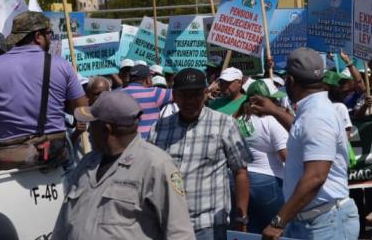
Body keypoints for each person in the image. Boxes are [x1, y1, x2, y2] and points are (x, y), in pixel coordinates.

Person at [52, 91, 195, 239]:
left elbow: (180, 233)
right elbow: (62, 225)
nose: (87, 130)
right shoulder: (86, 163)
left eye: (92, 124)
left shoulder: (156, 165)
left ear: (106, 129)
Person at [261, 48, 358, 240]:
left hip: (325, 223)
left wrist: (279, 221)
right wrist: (275, 111)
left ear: (290, 80)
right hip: (317, 220)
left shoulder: (316, 116)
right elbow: (302, 132)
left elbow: (316, 176)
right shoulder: (315, 110)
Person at [0, 12, 87, 170]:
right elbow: (81, 110)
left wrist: (4, 112)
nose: (50, 38)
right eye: (49, 33)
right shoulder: (62, 66)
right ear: (38, 36)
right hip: (53, 155)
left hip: (9, 157)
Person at [149, 68, 252, 240]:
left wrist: (241, 217)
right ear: (174, 95)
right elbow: (149, 172)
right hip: (166, 223)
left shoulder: (224, 124)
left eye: (196, 94)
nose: (190, 101)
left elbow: (241, 171)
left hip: (208, 225)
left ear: (205, 93)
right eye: (184, 95)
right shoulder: (159, 128)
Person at [235, 79, 290, 234]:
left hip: (241, 182)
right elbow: (286, 156)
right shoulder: (271, 121)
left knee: (251, 232)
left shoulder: (236, 119)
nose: (277, 102)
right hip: (269, 183)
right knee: (274, 232)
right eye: (273, 99)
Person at [117, 63, 174, 139]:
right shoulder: (155, 93)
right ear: (147, 80)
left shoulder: (117, 95)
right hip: (148, 143)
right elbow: (180, 94)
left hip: (125, 144)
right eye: (150, 77)